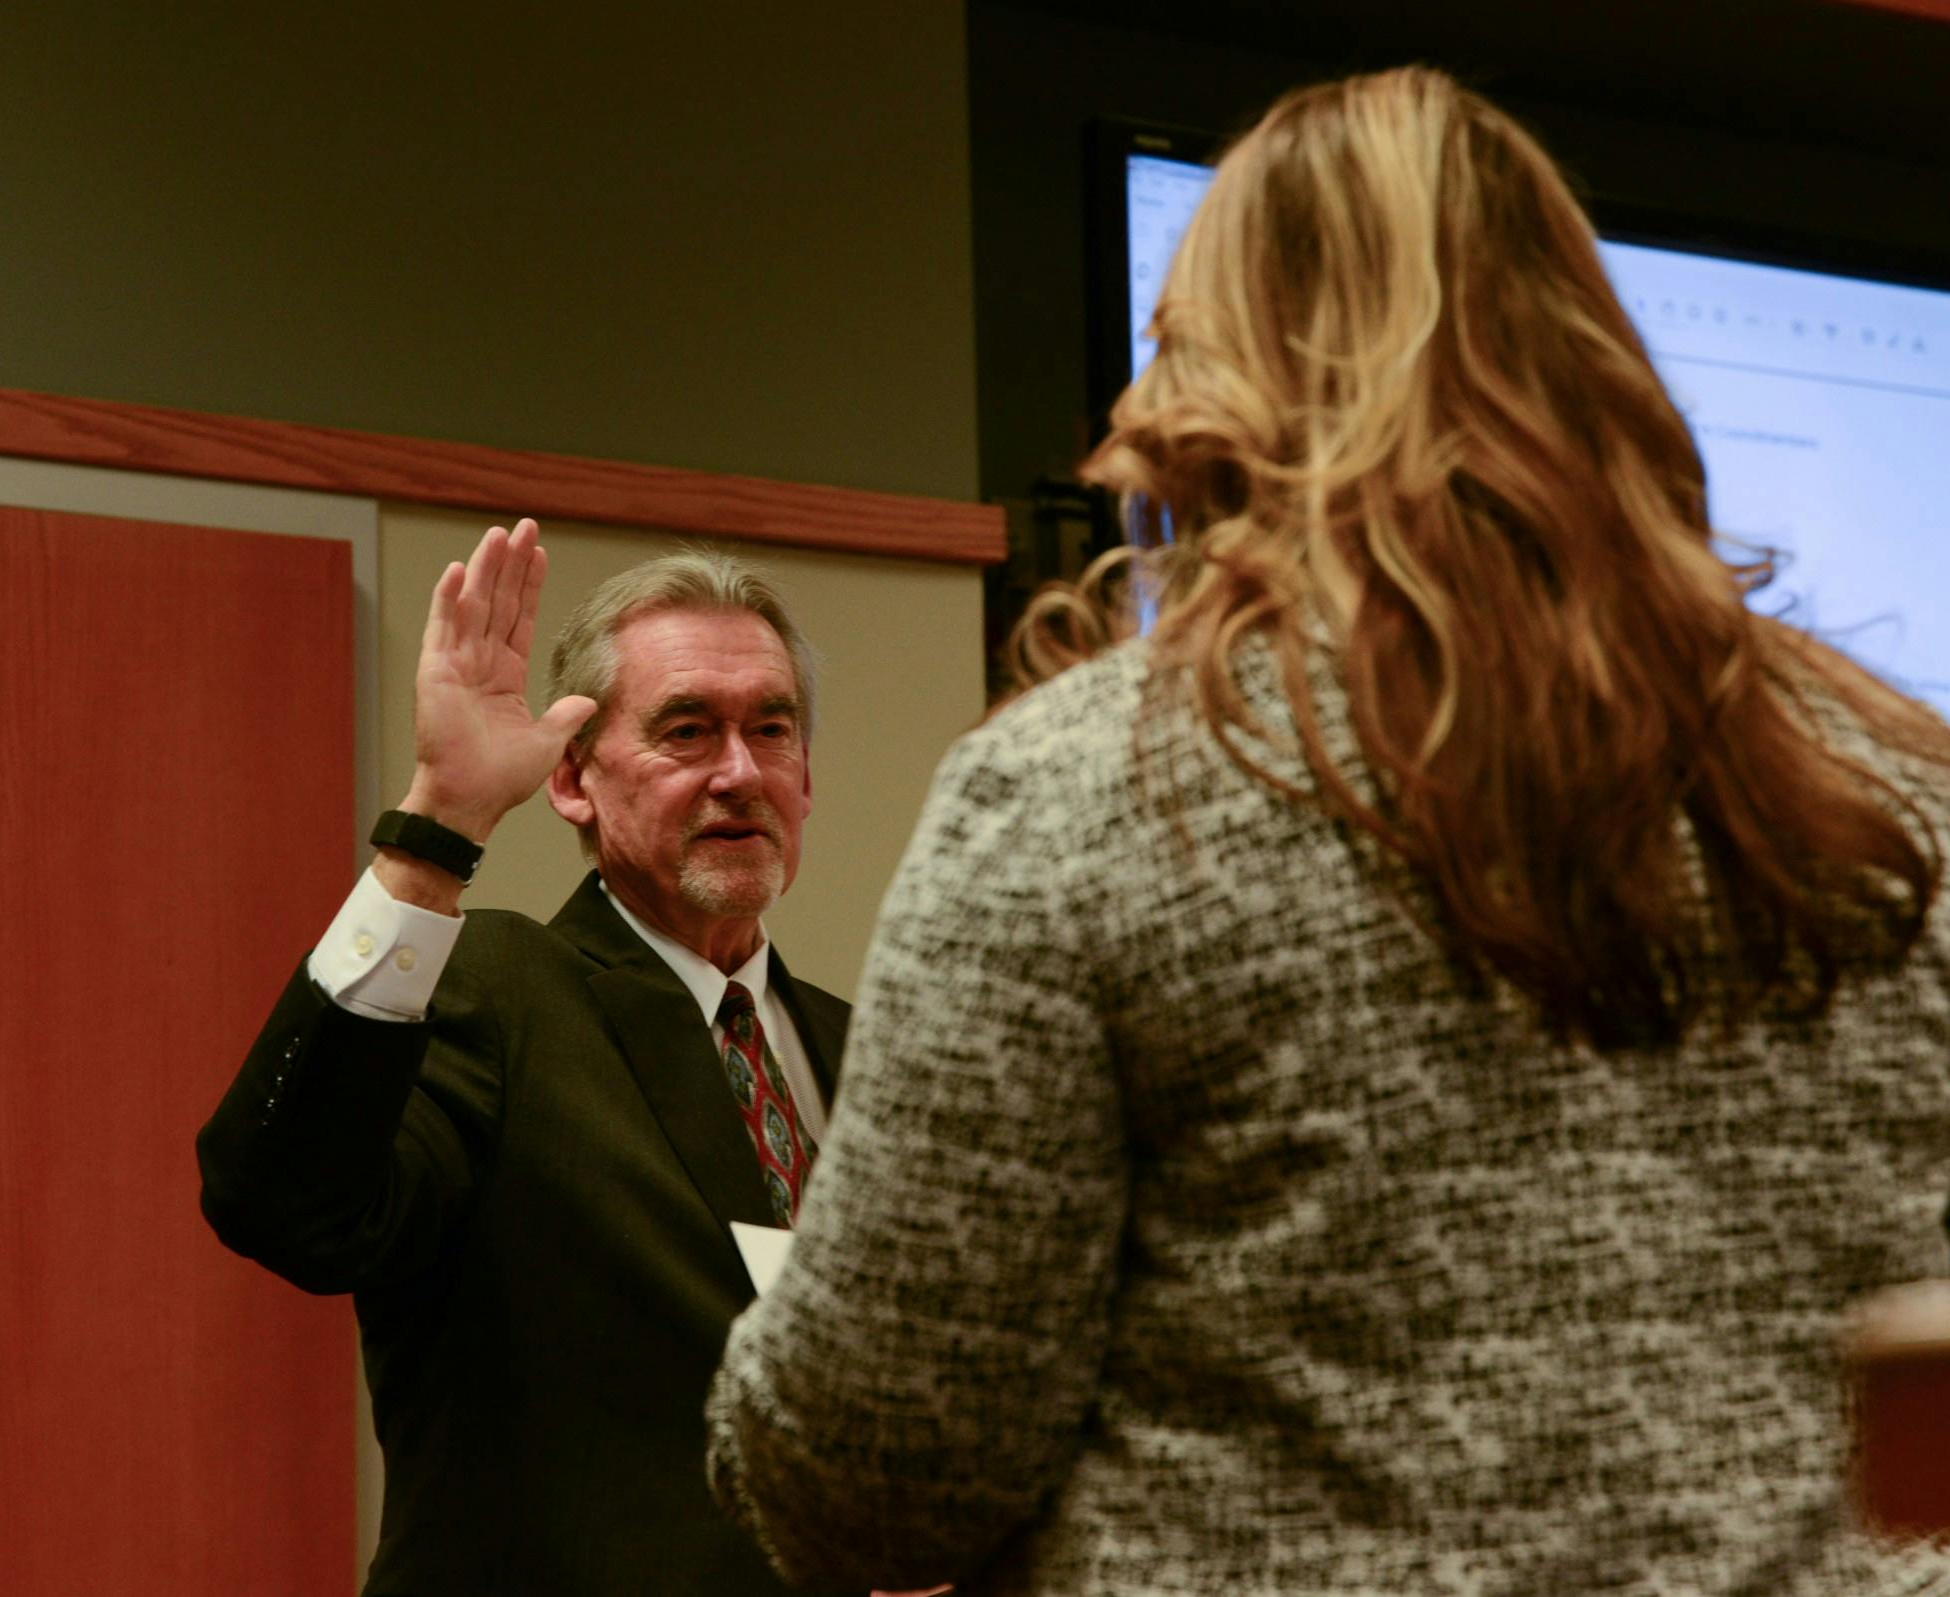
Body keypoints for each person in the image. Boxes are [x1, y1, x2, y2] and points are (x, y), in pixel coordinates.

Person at [704, 66, 1950, 1595]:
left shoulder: (1090, 787)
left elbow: (881, 1469)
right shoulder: (1895, 791)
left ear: (1211, 382)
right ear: (1593, 353)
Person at [199, 520, 856, 1596]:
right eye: (686, 730)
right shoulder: (498, 991)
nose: (739, 771)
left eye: (770, 730)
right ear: (571, 781)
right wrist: (437, 825)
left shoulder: (861, 1051)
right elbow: (278, 1202)